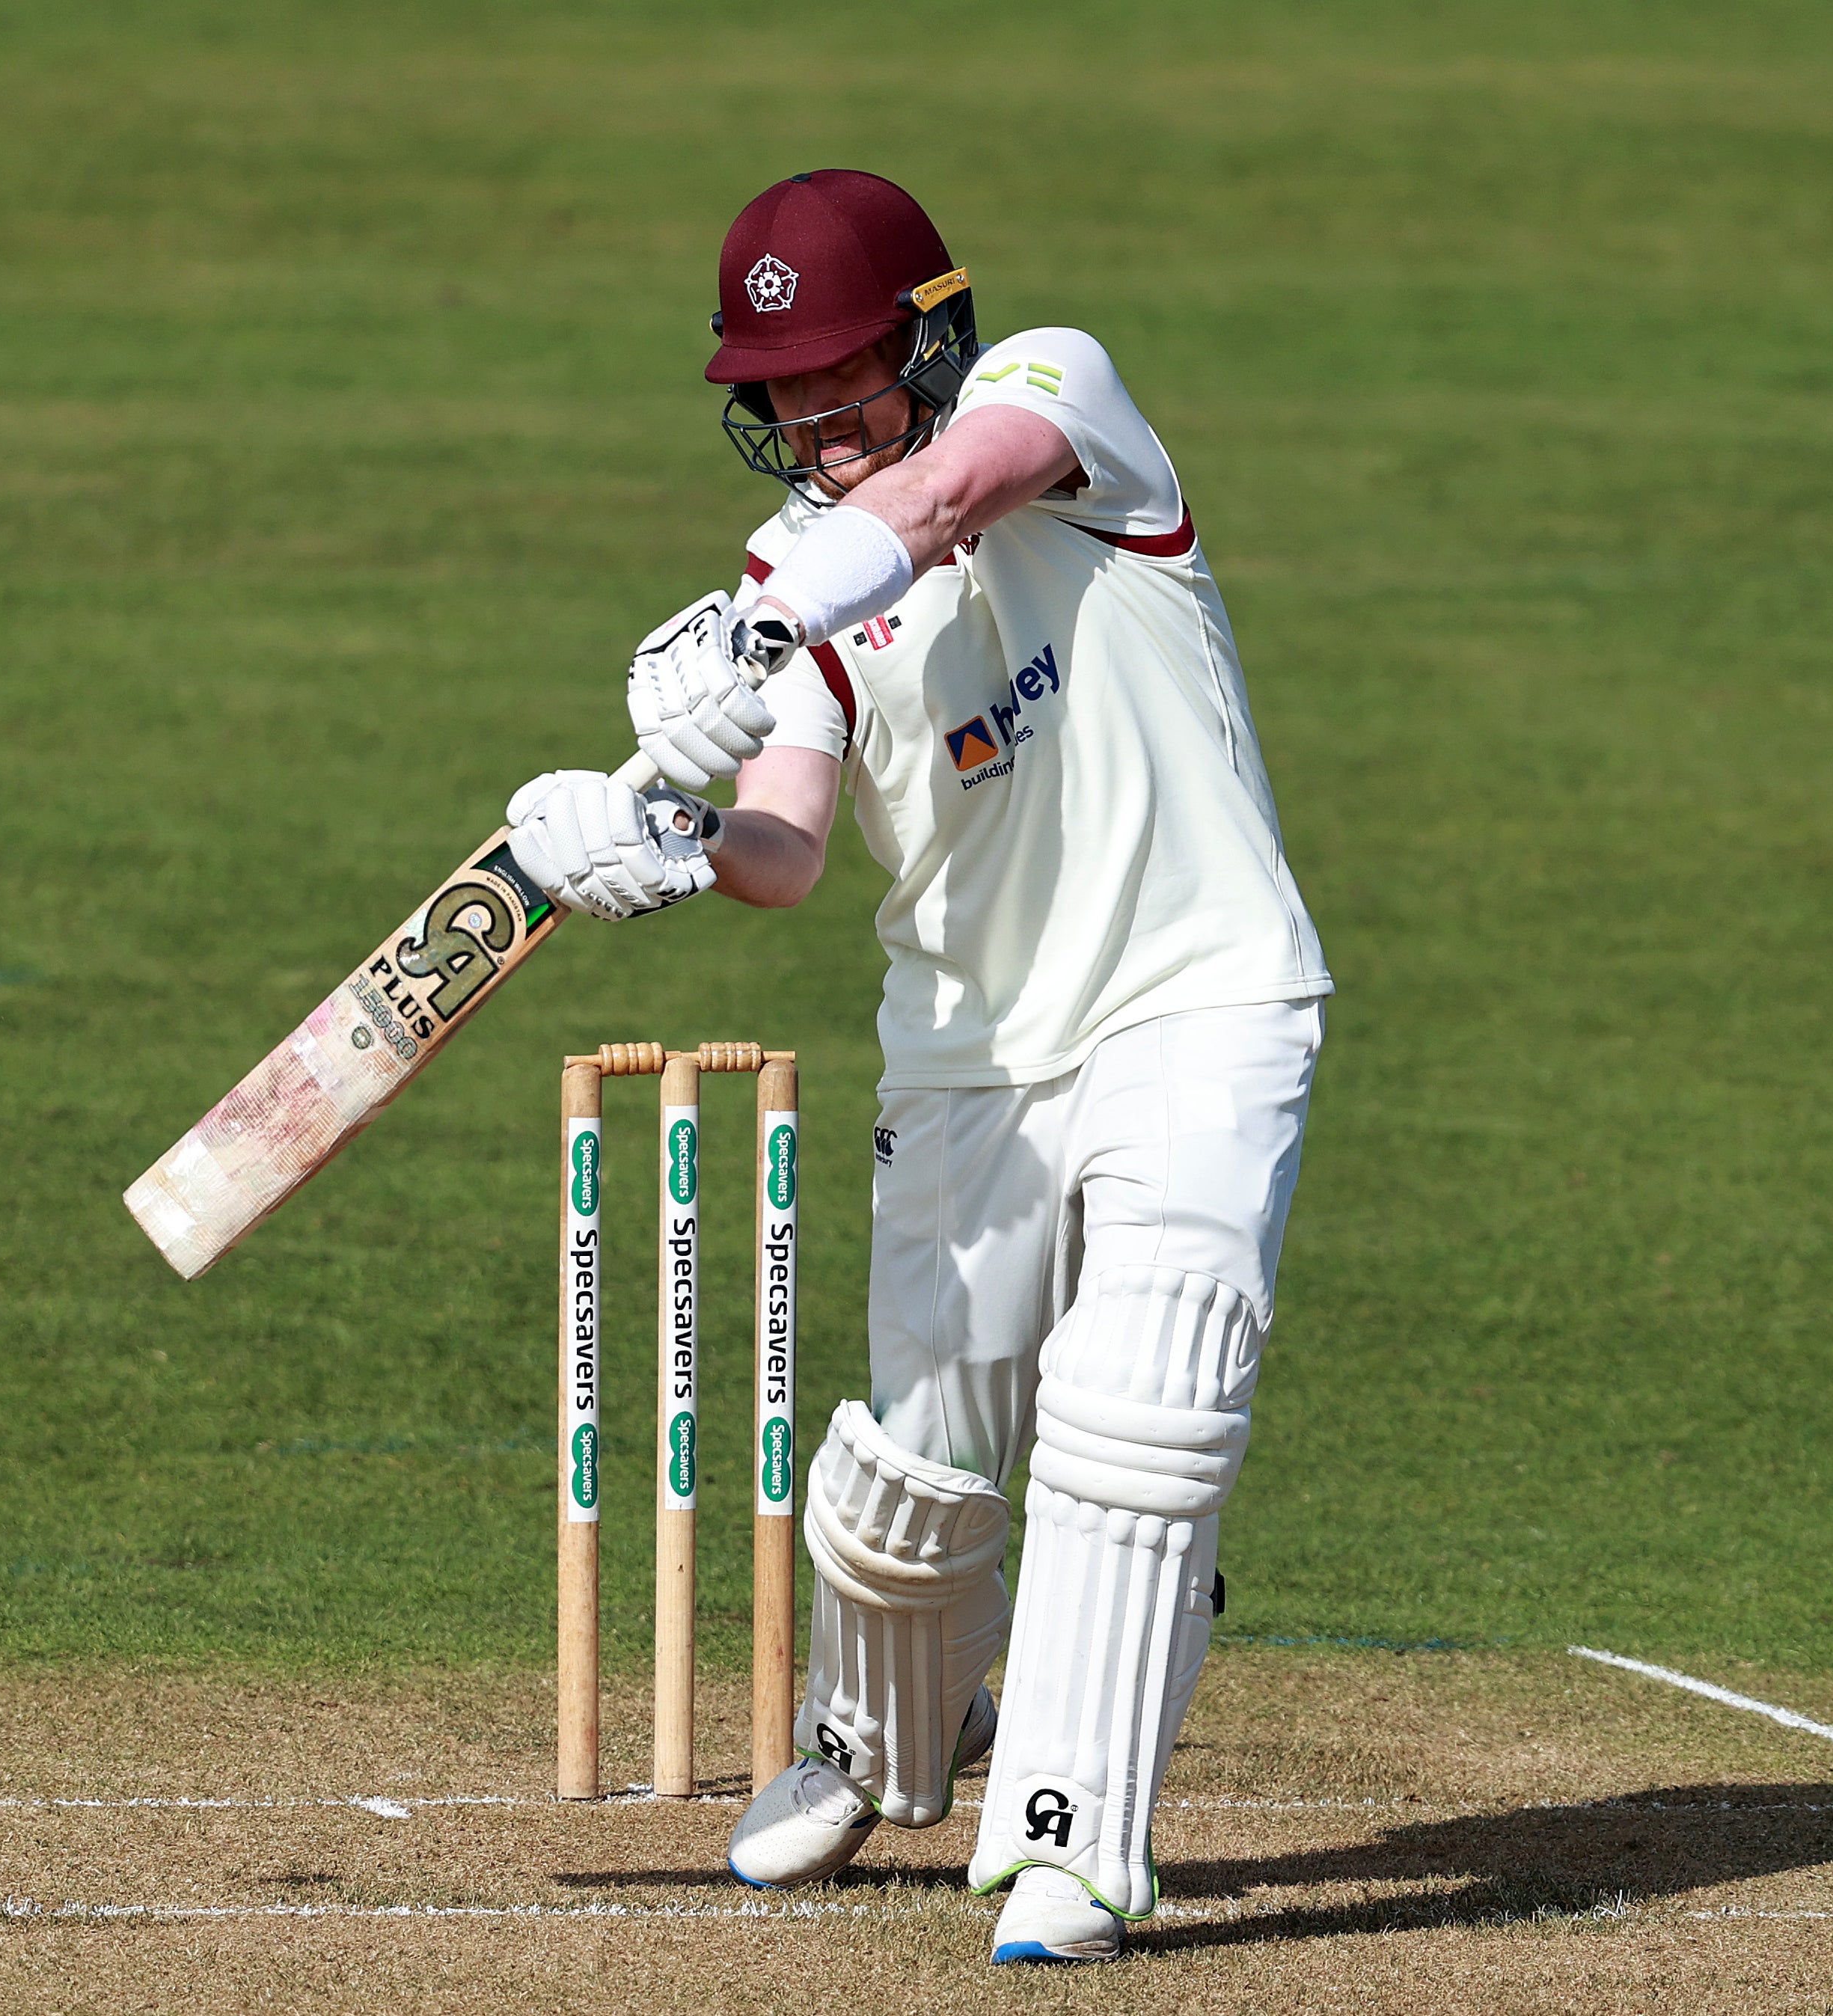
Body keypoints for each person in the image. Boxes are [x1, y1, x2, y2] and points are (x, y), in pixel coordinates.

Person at [503, 169, 1332, 1965]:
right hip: (963, 1055)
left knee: (1140, 1408)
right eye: (778, 394)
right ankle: (884, 1740)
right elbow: (792, 842)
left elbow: (952, 490)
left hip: (1198, 992)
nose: (810, 420)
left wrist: (759, 621)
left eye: (841, 378)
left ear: (931, 337)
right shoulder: (783, 592)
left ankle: (1070, 1842)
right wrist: (672, 844)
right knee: (915, 1478)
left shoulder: (1057, 393)